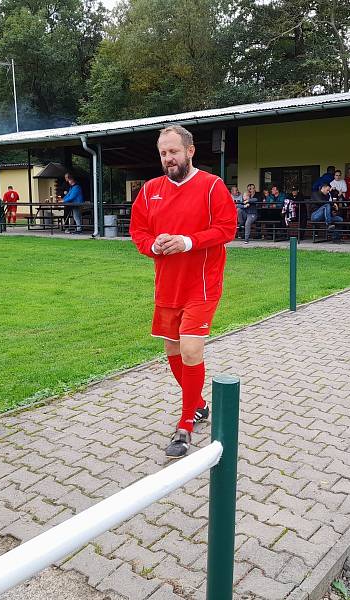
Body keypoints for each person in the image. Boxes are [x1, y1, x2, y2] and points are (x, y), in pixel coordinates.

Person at [130, 124, 236, 459]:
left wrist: (188, 241)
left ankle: (185, 423)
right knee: (173, 352)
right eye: (163, 153)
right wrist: (155, 246)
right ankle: (200, 404)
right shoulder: (150, 190)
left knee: (191, 351)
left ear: (190, 151)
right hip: (167, 286)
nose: (168, 158)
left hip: (202, 285)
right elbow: (138, 232)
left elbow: (227, 228)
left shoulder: (211, 186)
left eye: (174, 151)